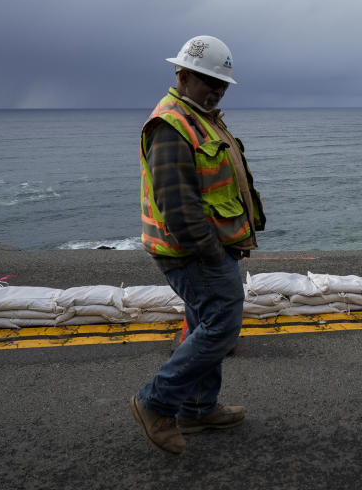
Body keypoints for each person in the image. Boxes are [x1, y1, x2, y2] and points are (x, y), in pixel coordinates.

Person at [131, 35, 265, 455]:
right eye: (209, 81)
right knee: (222, 326)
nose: (217, 89)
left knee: (206, 322)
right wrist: (210, 251)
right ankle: (155, 403)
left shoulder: (199, 116)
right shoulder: (171, 126)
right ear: (182, 75)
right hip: (191, 252)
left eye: (222, 84)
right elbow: (178, 205)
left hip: (208, 248)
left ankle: (197, 408)